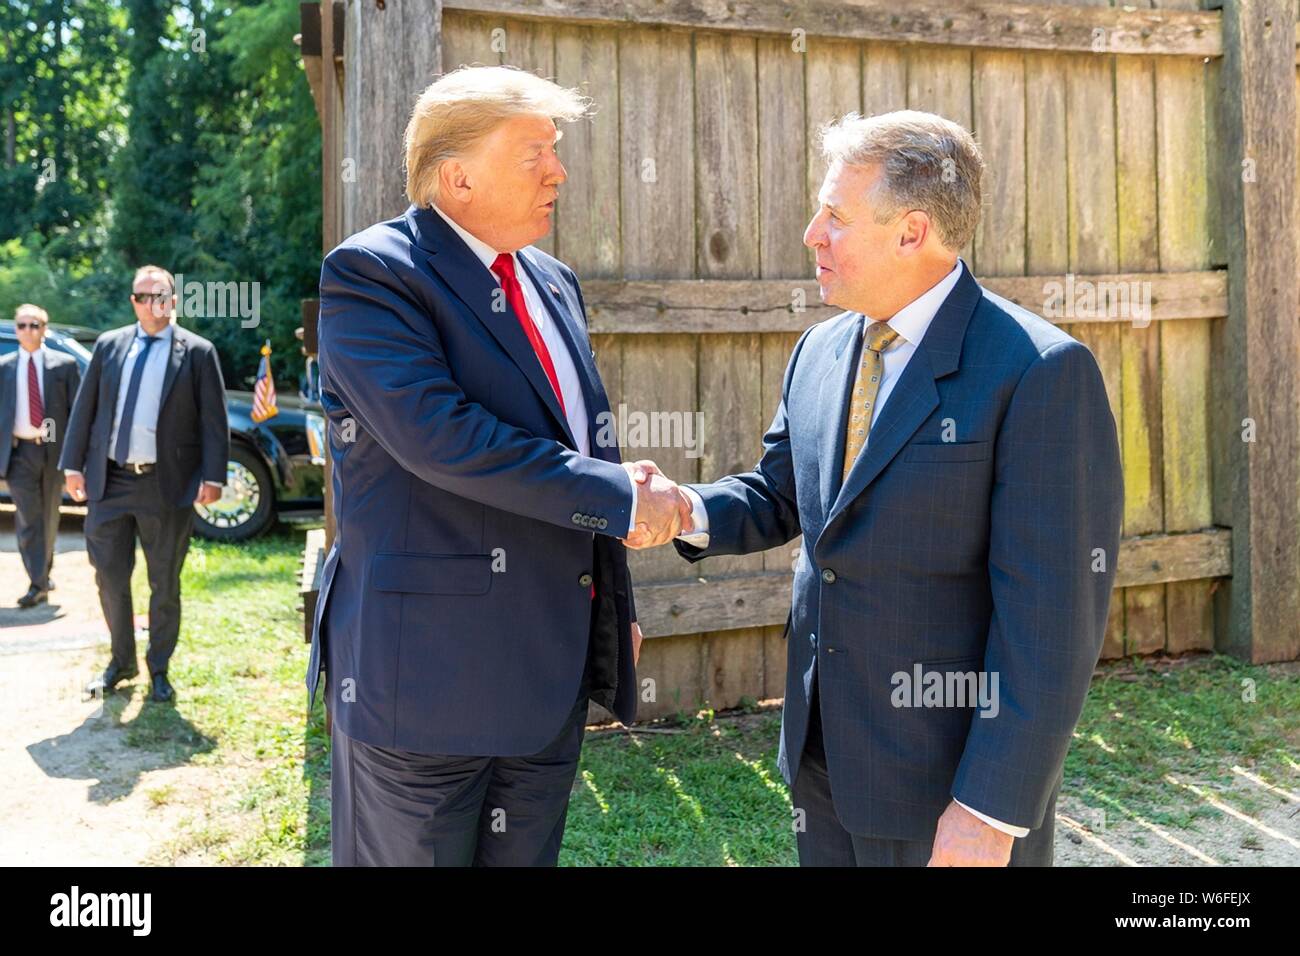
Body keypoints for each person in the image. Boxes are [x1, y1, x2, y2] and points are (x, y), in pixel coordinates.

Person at [630, 110, 1124, 866]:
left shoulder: (1038, 373)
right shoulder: (822, 350)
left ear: (911, 231)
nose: (811, 235)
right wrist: (684, 510)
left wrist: (991, 807)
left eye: (834, 216)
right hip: (824, 764)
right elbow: (784, 495)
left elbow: (1052, 621)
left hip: (947, 788)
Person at [310, 66, 687, 866]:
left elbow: (580, 438)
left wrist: (607, 611)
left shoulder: (552, 281)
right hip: (423, 688)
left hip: (541, 681)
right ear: (458, 176)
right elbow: (444, 439)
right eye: (535, 153)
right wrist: (621, 497)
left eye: (555, 152)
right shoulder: (373, 275)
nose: (558, 171)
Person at [62, 265, 229, 703]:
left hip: (165, 485)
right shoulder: (109, 345)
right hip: (110, 481)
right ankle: (121, 662)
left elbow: (214, 421)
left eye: (159, 295)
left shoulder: (197, 351)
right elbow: (85, 410)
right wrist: (72, 465)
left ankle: (159, 668)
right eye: (141, 295)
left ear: (173, 300)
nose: (150, 303)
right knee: (109, 578)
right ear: (132, 301)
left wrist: (213, 476)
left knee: (164, 583)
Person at [0, 304, 81, 607]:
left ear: (44, 329)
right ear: (16, 330)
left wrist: (76, 456)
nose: (28, 331)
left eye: (34, 325)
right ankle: (37, 581)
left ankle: (43, 573)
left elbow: (77, 413)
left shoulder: (64, 365)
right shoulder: (4, 367)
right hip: (19, 453)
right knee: (28, 519)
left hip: (51, 451)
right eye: (22, 325)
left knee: (48, 517)